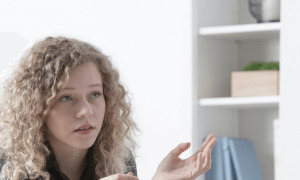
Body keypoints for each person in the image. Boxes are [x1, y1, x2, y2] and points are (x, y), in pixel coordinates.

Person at [0, 36, 217, 180]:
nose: (85, 111)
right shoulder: (8, 163)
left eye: (95, 94)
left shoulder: (118, 158)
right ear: (36, 107)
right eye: (66, 98)